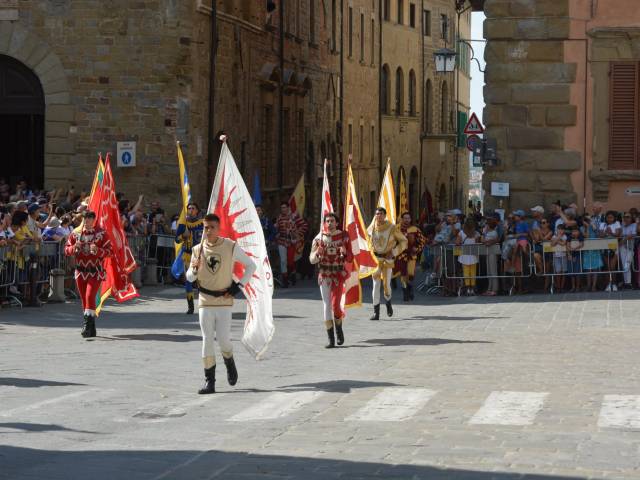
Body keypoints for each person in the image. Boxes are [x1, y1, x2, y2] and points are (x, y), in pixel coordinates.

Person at [185, 213, 256, 394]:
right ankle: (210, 381)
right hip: (205, 301)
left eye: (211, 227)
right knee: (207, 339)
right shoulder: (197, 250)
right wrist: (194, 269)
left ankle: (229, 361)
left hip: (224, 301)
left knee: (224, 340)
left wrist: (238, 286)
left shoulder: (230, 246)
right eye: (205, 228)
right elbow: (189, 277)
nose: (208, 231)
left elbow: (250, 266)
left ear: (218, 228)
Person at [64, 211, 113, 338]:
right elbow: (66, 249)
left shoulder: (101, 234)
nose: (87, 222)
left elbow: (110, 252)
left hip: (95, 271)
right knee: (84, 299)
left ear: (94, 220)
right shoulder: (75, 233)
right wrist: (74, 247)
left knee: (90, 295)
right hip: (80, 271)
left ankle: (86, 326)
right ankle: (91, 328)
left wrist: (98, 250)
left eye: (89, 219)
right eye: (85, 219)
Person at [309, 213, 352, 348]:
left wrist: (345, 252)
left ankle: (339, 329)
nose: (330, 223)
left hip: (338, 276)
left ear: (337, 223)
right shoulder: (319, 238)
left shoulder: (344, 236)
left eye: (332, 221)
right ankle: (331, 339)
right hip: (324, 276)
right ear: (324, 223)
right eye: (327, 221)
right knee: (326, 305)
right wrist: (317, 253)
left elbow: (351, 258)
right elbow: (311, 260)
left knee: (335, 306)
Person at [367, 207, 407, 320]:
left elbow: (404, 241)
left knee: (386, 285)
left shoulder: (392, 228)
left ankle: (388, 302)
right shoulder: (372, 226)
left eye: (380, 214)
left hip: (387, 260)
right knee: (375, 285)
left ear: (385, 215)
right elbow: (367, 237)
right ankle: (376, 312)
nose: (378, 216)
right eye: (376, 214)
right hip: (375, 261)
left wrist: (394, 252)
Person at [175, 202, 204, 314]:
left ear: (197, 211)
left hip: (201, 255)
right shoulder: (183, 224)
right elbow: (176, 239)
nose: (191, 210)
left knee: (201, 281)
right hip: (188, 256)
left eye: (193, 208)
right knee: (188, 280)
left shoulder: (203, 223)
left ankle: (204, 304)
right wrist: (183, 236)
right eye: (189, 208)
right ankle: (190, 307)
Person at [394, 212, 426, 302]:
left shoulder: (415, 229)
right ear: (402, 219)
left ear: (410, 219)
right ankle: (405, 292)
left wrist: (418, 249)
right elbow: (391, 241)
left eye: (408, 218)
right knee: (403, 274)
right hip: (401, 255)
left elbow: (422, 241)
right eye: (405, 218)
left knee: (410, 274)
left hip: (412, 255)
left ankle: (410, 287)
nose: (407, 220)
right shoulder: (396, 228)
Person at [275, 202, 307, 287]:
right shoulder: (279, 218)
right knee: (283, 261)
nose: (283, 209)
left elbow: (304, 226)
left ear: (288, 208)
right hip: (281, 241)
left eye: (284, 207)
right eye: (282, 208)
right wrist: (276, 232)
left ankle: (292, 275)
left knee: (290, 262)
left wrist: (297, 233)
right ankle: (285, 280)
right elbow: (276, 229)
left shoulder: (295, 216)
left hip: (291, 242)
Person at [456, 217, 480, 296]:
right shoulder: (476, 233)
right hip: (473, 254)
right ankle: (472, 288)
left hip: (464, 254)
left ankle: (467, 288)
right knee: (473, 272)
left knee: (466, 272)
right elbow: (477, 244)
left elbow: (457, 243)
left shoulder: (461, 233)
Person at [598, 210, 621, 292]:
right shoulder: (602, 224)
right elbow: (600, 235)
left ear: (614, 218)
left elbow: (618, 234)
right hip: (604, 247)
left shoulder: (617, 223)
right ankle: (608, 284)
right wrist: (605, 232)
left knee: (612, 267)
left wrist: (611, 232)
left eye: (611, 217)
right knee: (607, 268)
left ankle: (614, 284)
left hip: (614, 248)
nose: (609, 219)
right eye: (608, 217)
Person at [582, 216, 603, 292]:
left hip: (595, 250)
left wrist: (593, 224)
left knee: (595, 269)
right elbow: (586, 236)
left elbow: (598, 235)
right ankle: (588, 285)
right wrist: (587, 227)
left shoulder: (594, 226)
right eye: (586, 220)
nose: (587, 221)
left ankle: (594, 286)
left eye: (588, 220)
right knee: (588, 269)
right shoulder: (582, 228)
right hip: (587, 251)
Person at [482, 215, 501, 296]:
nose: (485, 225)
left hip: (492, 253)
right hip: (488, 252)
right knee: (489, 271)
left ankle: (495, 289)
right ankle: (489, 288)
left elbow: (486, 242)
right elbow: (483, 241)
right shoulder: (488, 233)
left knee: (493, 271)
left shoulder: (493, 233)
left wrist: (484, 234)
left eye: (486, 224)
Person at [619, 212, 637, 289]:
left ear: (631, 218)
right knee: (624, 265)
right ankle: (626, 282)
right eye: (625, 217)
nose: (626, 218)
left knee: (627, 264)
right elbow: (620, 235)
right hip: (622, 248)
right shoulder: (622, 226)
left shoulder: (634, 225)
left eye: (628, 217)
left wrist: (625, 239)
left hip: (630, 248)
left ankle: (628, 282)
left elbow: (633, 235)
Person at [566, 226, 584, 293]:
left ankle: (577, 287)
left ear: (579, 232)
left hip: (578, 255)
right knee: (572, 272)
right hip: (571, 256)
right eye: (573, 231)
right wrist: (569, 254)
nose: (574, 233)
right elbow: (567, 246)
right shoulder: (569, 237)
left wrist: (575, 248)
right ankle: (573, 287)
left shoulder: (580, 236)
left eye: (576, 231)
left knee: (578, 272)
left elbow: (581, 244)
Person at [551, 223, 567, 293]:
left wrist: (557, 240)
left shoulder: (565, 236)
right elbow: (552, 244)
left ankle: (562, 287)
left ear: (564, 230)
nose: (560, 231)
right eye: (559, 229)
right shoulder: (553, 236)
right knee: (558, 272)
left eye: (562, 230)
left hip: (563, 255)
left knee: (563, 272)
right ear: (556, 230)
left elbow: (564, 243)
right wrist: (558, 238)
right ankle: (558, 286)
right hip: (556, 256)